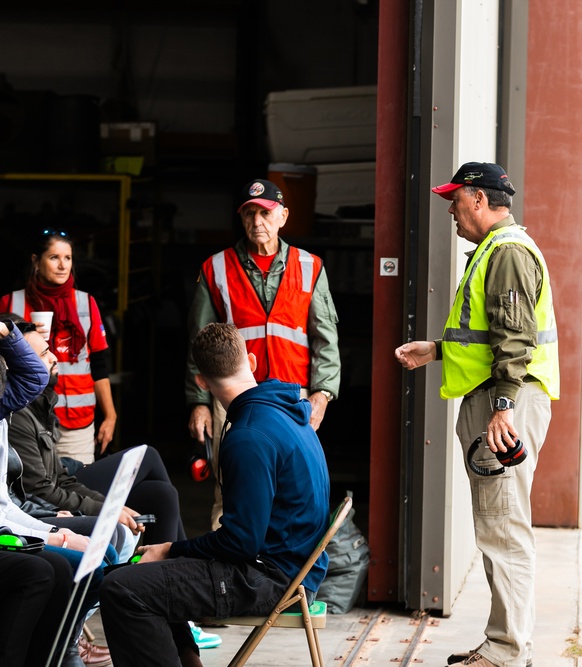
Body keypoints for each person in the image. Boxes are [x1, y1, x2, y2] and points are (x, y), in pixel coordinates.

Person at [395, 162, 559, 667]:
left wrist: (504, 406)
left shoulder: (506, 251)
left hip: (504, 402)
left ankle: (507, 652)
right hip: (498, 397)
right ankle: (505, 643)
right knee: (496, 524)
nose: (451, 210)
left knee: (504, 527)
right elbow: (490, 335)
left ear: (480, 199)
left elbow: (515, 339)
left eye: (456, 200)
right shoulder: (498, 249)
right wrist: (438, 349)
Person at [101, 322, 331, 667]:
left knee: (121, 587)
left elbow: (241, 543)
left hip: (272, 579)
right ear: (251, 360)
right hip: (295, 570)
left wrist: (173, 549)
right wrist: (174, 554)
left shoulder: (249, 436)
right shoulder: (289, 412)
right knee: (154, 577)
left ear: (202, 383)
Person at [186, 178, 340, 529]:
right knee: (231, 488)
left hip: (292, 395)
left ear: (283, 216)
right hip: (232, 396)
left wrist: (323, 393)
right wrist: (198, 402)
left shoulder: (310, 266)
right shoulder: (216, 268)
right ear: (241, 220)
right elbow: (200, 343)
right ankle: (224, 573)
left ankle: (281, 577)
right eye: (250, 214)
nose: (258, 222)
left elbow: (325, 339)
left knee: (292, 487)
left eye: (266, 213)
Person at [5, 314, 185, 545]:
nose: (53, 357)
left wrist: (111, 506)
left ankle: (168, 567)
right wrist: (107, 510)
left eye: (49, 349)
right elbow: (41, 490)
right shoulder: (18, 414)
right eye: (42, 354)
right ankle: (175, 563)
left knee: (162, 494)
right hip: (42, 508)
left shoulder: (39, 403)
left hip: (57, 491)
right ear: (16, 364)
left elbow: (59, 477)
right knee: (147, 456)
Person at [0, 317, 107, 667]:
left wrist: (52, 532)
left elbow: (33, 376)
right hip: (10, 532)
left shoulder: (2, 413)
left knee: (81, 560)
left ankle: (60, 654)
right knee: (49, 570)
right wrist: (51, 536)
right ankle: (57, 656)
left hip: (13, 525)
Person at [0, 229, 117, 466]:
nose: (63, 265)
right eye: (54, 257)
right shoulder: (11, 302)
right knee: (34, 495)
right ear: (36, 261)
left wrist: (110, 415)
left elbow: (99, 365)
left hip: (77, 424)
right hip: (26, 421)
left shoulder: (86, 302)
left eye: (68, 258)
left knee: (79, 492)